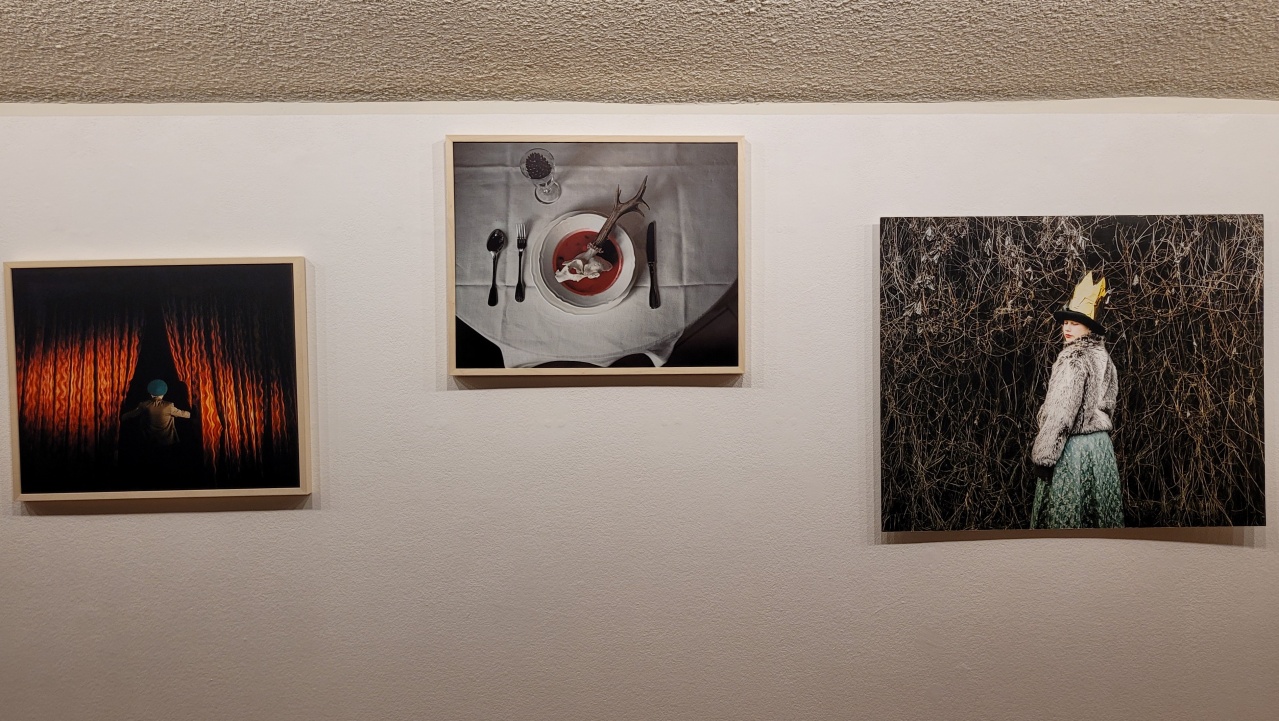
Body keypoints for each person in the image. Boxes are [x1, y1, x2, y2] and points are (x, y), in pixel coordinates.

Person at [1029, 272, 1123, 529]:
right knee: (1099, 519)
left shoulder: (1073, 359)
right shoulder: (1103, 357)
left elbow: (1060, 413)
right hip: (1100, 450)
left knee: (1067, 523)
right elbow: (1109, 404)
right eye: (1066, 322)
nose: (1067, 329)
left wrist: (1044, 458)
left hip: (1073, 452)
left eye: (1075, 323)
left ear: (1089, 327)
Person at [121, 378, 191, 447]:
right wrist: (192, 413)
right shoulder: (169, 406)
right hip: (166, 441)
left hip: (148, 441)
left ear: (151, 394)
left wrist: (122, 417)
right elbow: (184, 414)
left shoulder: (144, 405)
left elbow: (132, 414)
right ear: (164, 393)